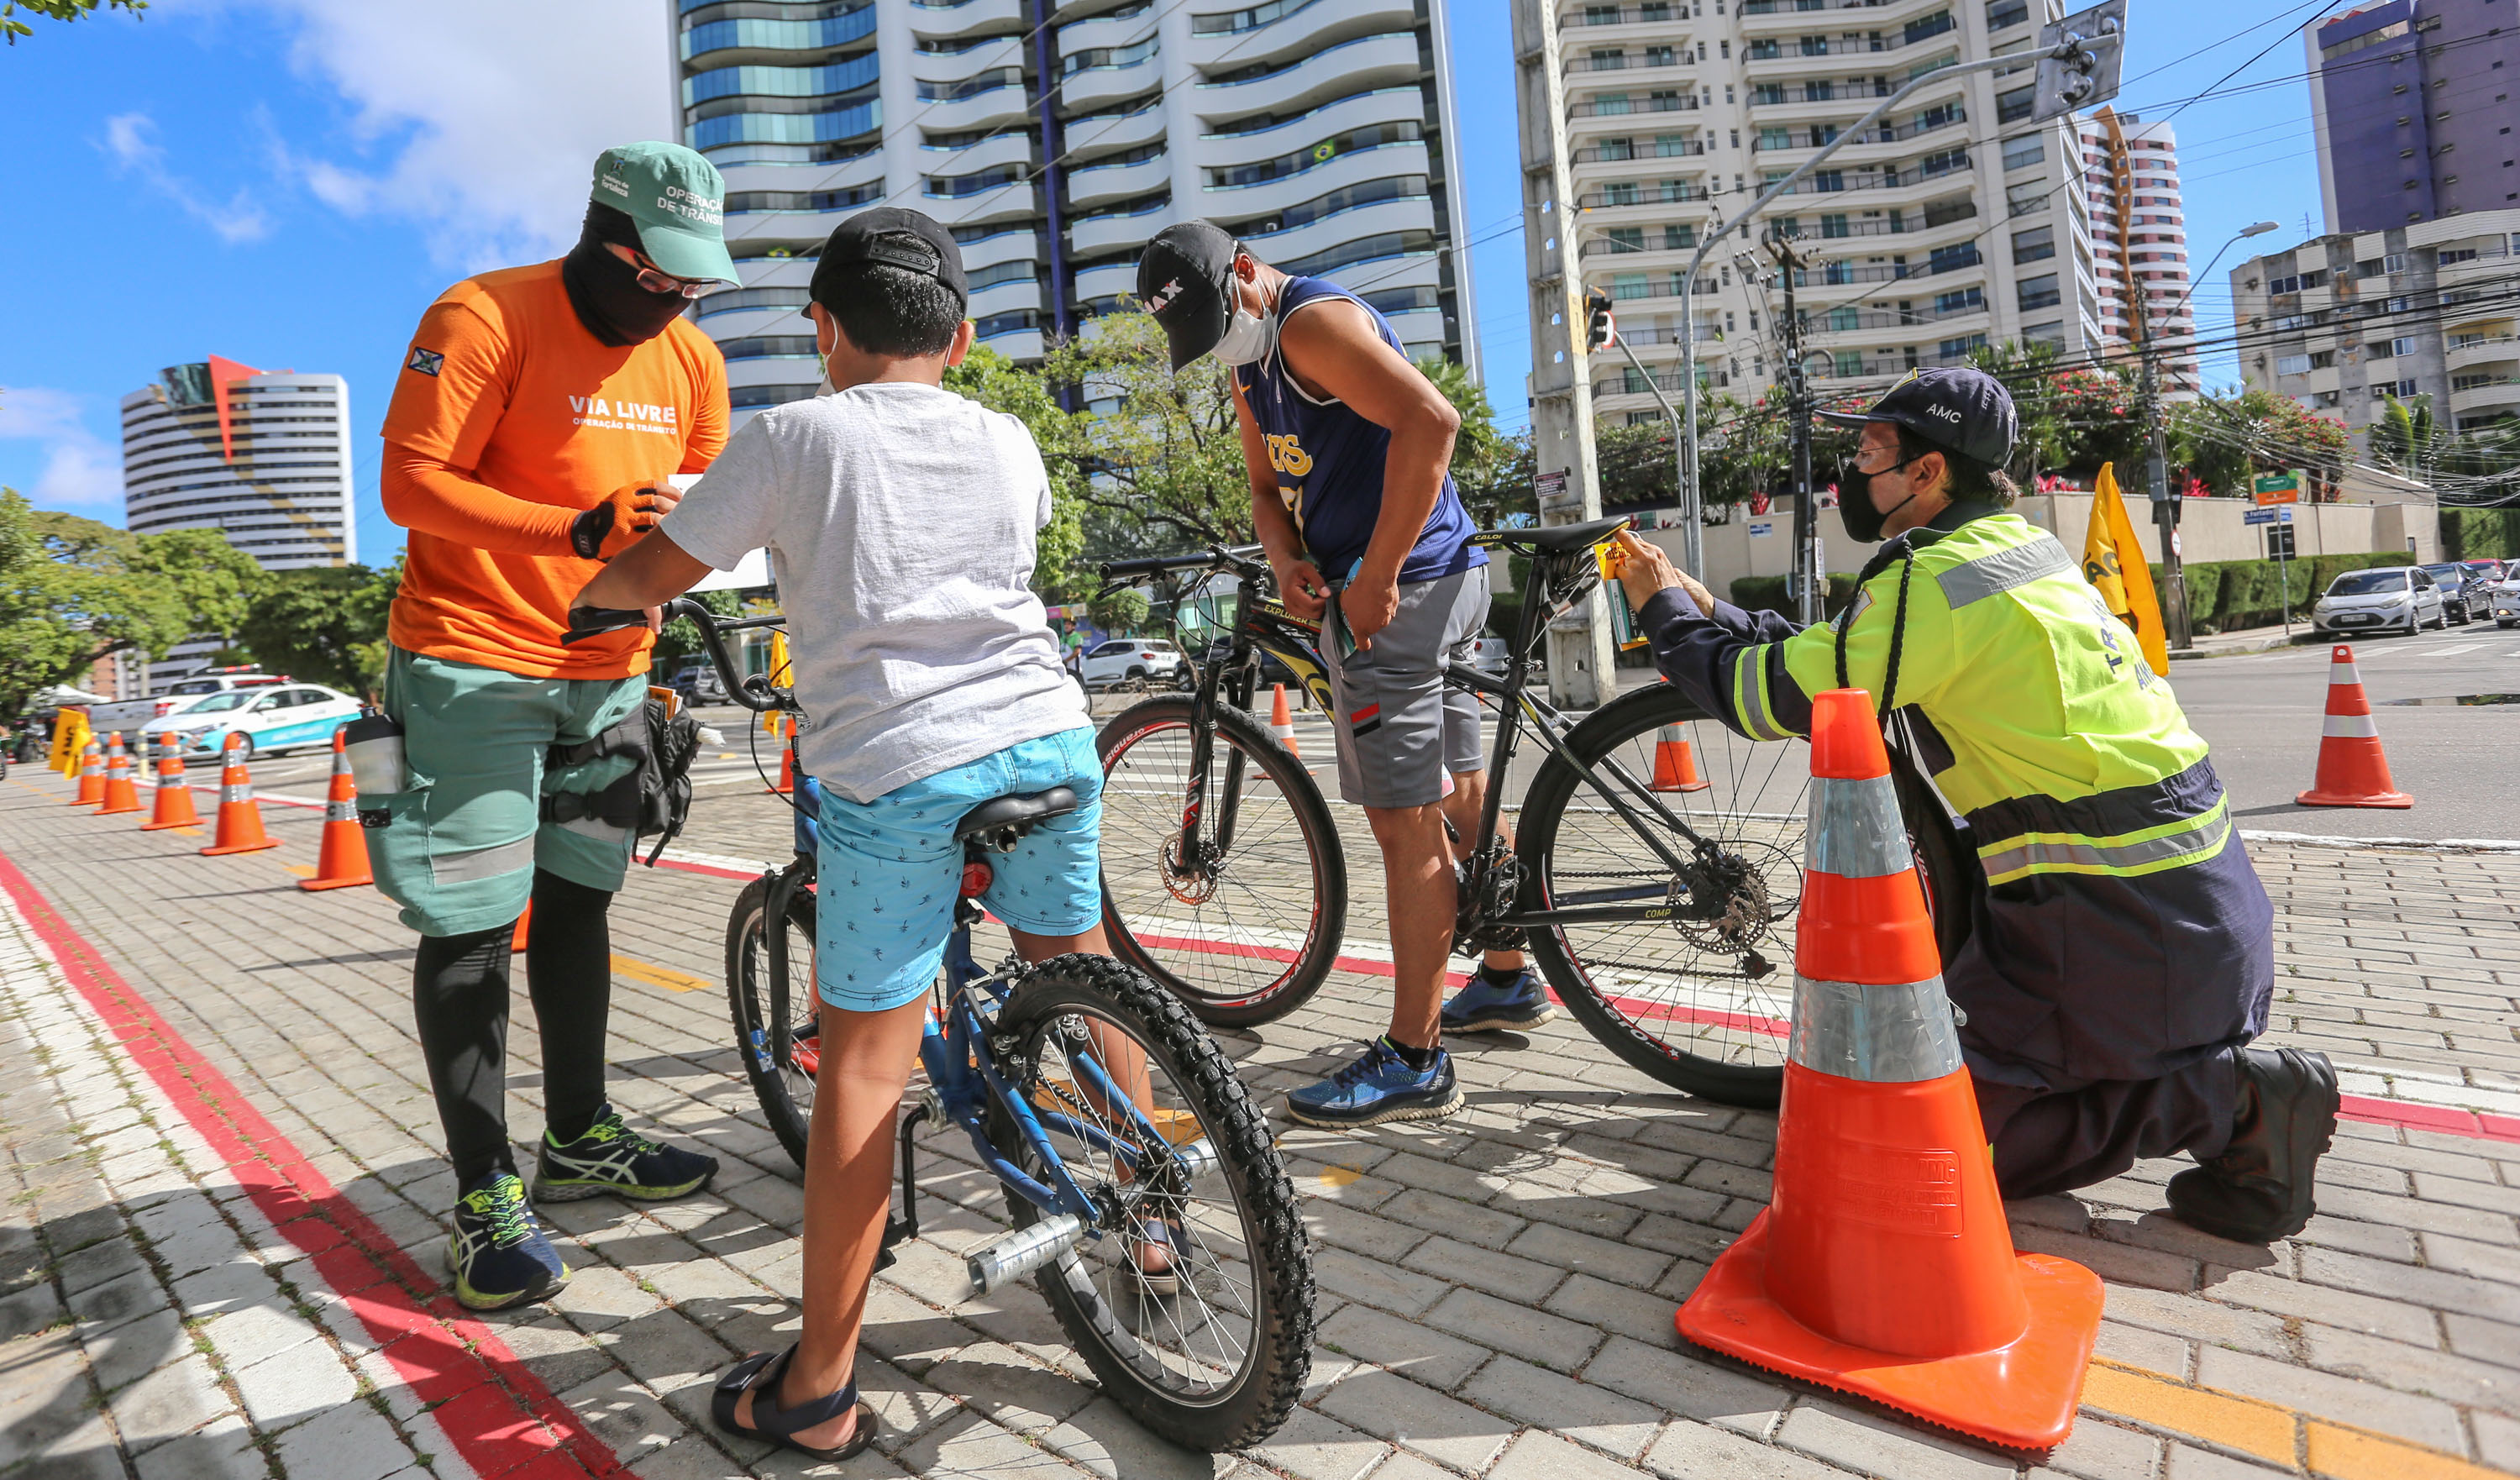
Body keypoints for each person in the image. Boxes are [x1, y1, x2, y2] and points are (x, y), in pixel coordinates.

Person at [572, 208, 1129, 1462]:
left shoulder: (790, 437)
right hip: (1050, 736)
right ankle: (1146, 1231)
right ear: (961, 340)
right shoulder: (1007, 435)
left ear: (823, 328)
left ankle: (818, 1386)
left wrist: (590, 597)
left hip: (893, 769)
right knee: (1080, 967)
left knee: (866, 1064)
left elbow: (660, 569)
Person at [1609, 367, 2336, 1243]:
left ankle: (2233, 1100)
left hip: (2114, 932)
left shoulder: (1932, 579)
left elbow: (1766, 697)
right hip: (2181, 915)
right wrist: (1707, 609)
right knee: (1915, 1096)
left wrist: (1662, 613)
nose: (1850, 472)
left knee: (1915, 1159)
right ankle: (2171, 1079)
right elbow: (1833, 657)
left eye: (1870, 452)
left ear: (1926, 472)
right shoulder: (2012, 552)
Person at [374, 141, 736, 1311]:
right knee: (473, 923)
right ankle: (484, 1192)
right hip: (472, 661)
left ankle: (578, 1136)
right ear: (604, 239)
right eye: (661, 276)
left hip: (609, 673)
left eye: (695, 283)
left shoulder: (693, 360)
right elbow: (410, 485)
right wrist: (571, 531)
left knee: (580, 901)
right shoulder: (484, 316)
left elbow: (701, 503)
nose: (676, 300)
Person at [1136, 222, 1545, 1130]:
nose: (1219, 346)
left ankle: (1415, 1057)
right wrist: (1286, 557)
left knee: (1405, 826)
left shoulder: (1308, 325)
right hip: (1441, 578)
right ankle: (1507, 976)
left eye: (1218, 322)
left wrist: (1377, 579)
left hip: (1402, 594)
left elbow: (1434, 423)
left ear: (1246, 272)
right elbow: (1262, 487)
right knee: (1461, 793)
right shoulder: (1252, 363)